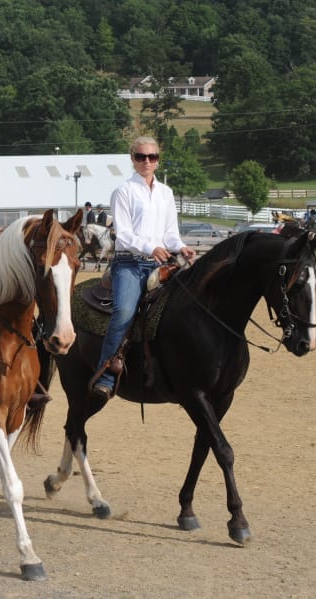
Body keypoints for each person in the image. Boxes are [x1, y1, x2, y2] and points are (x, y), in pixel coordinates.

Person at [91, 136, 197, 401]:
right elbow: (123, 235)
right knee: (125, 311)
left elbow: (170, 233)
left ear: (158, 160)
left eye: (152, 157)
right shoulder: (124, 191)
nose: (147, 161)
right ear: (132, 159)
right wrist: (150, 247)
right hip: (130, 262)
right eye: (141, 157)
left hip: (161, 262)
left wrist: (181, 247)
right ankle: (104, 373)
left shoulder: (166, 193)